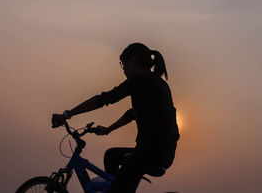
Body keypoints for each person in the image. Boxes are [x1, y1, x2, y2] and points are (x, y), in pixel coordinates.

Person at [52, 43, 180, 193]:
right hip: (163, 150)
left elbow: (104, 99)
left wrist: (68, 114)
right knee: (111, 155)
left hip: (151, 149)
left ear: (132, 59)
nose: (123, 68)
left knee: (118, 188)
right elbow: (132, 114)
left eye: (123, 63)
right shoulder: (157, 83)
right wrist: (108, 129)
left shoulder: (141, 80)